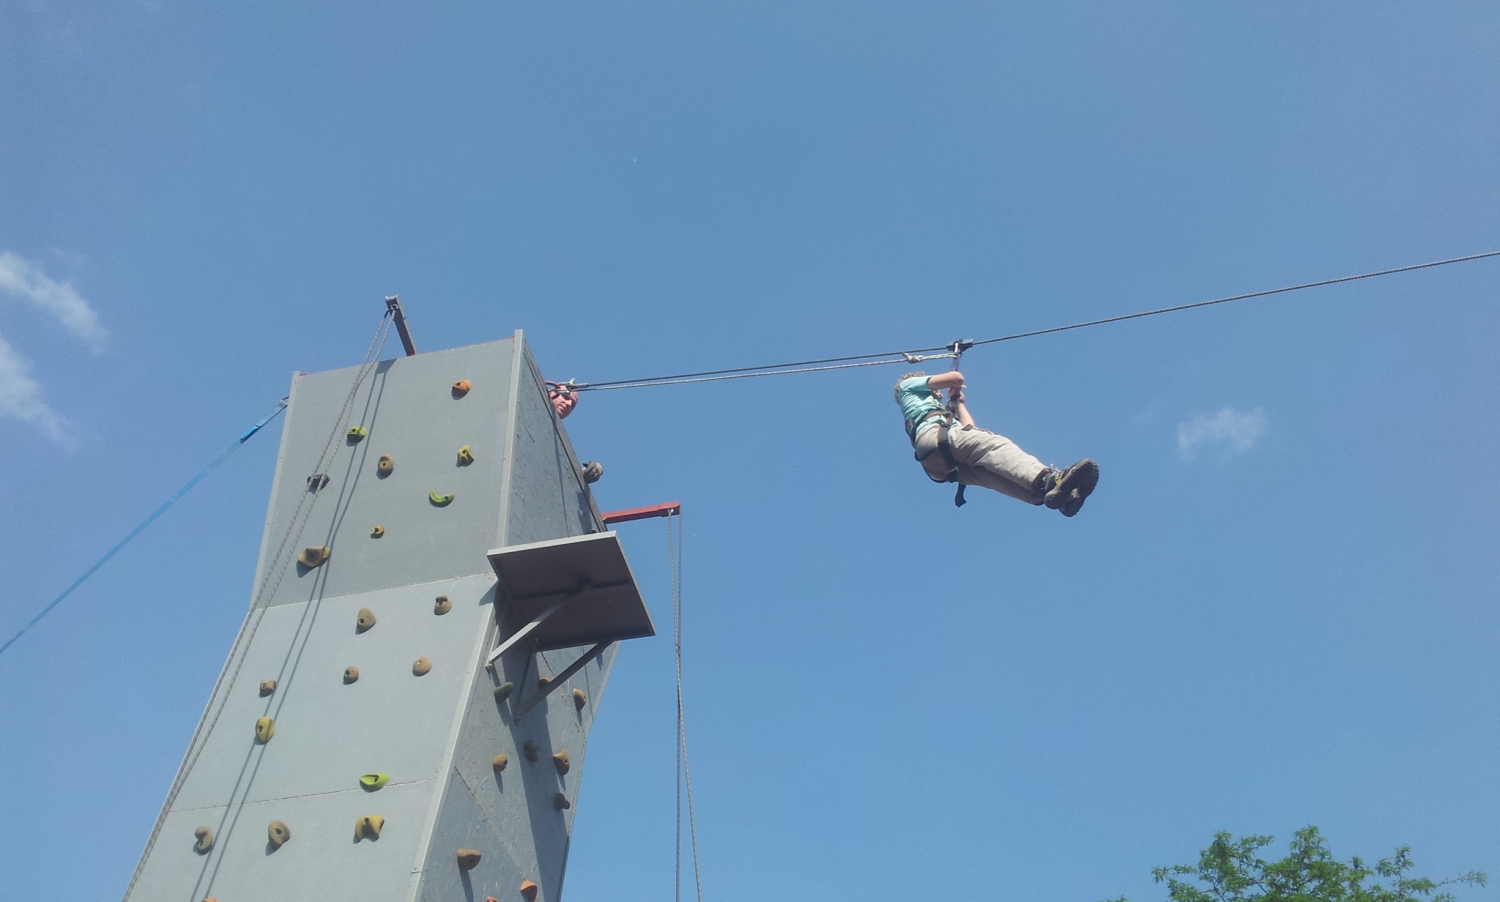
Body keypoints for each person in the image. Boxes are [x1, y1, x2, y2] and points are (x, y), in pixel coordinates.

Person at [895, 370, 1098, 516]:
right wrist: (952, 383)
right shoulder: (908, 385)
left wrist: (958, 403)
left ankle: (1056, 497)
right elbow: (956, 377)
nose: (938, 394)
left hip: (938, 463)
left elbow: (969, 428)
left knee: (995, 472)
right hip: (936, 438)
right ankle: (1050, 481)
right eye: (934, 391)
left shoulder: (932, 412)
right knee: (995, 445)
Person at [547, 381, 604, 484]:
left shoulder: (558, 443)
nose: (568, 404)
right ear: (551, 393)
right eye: (565, 397)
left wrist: (589, 470)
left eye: (572, 405)